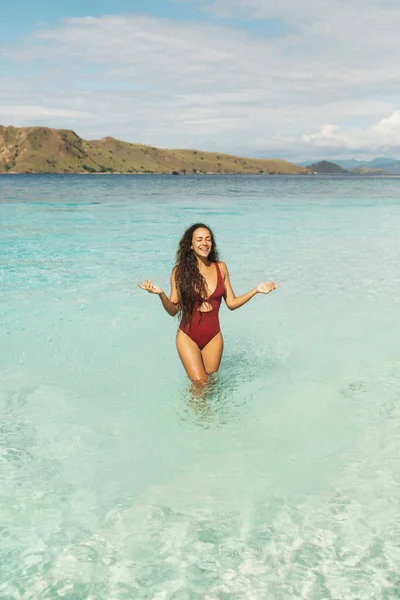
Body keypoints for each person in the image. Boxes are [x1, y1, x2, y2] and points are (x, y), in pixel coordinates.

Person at [138, 223, 279, 384]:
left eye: (208, 239)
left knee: (210, 384)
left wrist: (256, 290)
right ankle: (191, 410)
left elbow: (231, 303)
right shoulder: (179, 271)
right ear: (190, 245)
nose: (204, 243)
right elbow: (173, 310)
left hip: (213, 336)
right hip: (187, 336)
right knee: (200, 383)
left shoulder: (221, 268)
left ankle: (205, 410)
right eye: (199, 240)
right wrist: (161, 294)